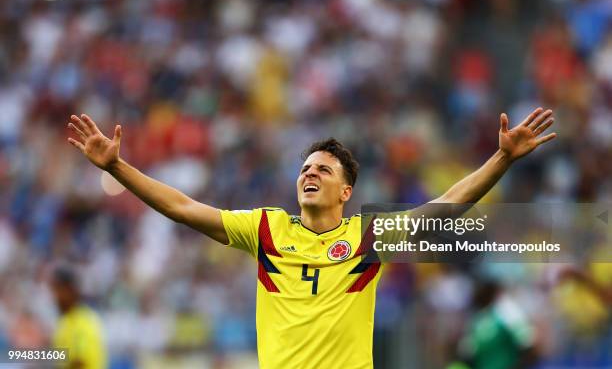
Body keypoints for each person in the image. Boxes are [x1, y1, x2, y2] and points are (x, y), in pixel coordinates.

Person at [66, 108, 556, 368]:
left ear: (346, 190)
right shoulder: (265, 229)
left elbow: (444, 208)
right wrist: (118, 167)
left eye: (323, 168)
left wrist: (502, 160)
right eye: (304, 167)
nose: (309, 173)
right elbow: (183, 208)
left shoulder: (368, 237)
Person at [50, 265, 107, 369]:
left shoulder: (84, 322)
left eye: (58, 290)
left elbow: (79, 362)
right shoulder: (64, 322)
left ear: (71, 290)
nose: (55, 296)